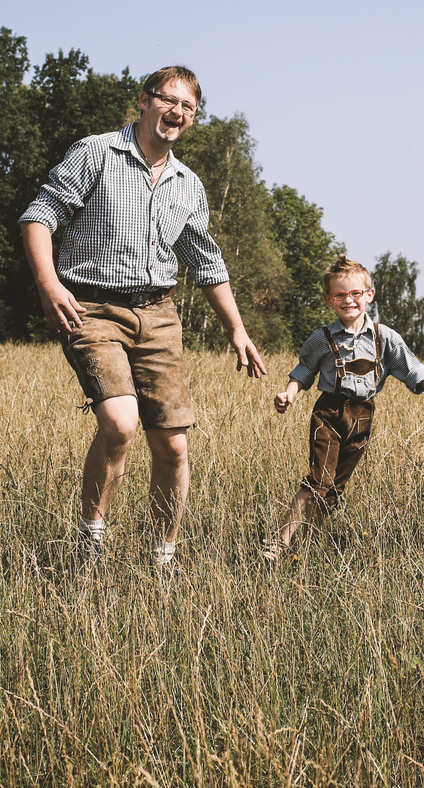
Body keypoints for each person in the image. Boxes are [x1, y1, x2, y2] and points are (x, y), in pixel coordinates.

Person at [20, 66, 266, 572]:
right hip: (91, 307)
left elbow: (207, 263)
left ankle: (161, 559)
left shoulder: (187, 184)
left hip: (158, 314)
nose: (177, 113)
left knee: (173, 444)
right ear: (144, 100)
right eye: (168, 100)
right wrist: (48, 285)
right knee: (119, 421)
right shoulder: (97, 153)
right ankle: (89, 546)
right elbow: (39, 215)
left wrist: (236, 329)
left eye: (188, 107)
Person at [260, 255, 424, 562]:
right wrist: (289, 394)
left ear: (369, 294)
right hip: (329, 413)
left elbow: (412, 367)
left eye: (355, 293)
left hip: (363, 417)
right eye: (340, 295)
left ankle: (308, 548)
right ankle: (279, 543)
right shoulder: (322, 338)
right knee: (319, 479)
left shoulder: (384, 337)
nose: (349, 300)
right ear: (329, 299)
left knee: (333, 489)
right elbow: (304, 370)